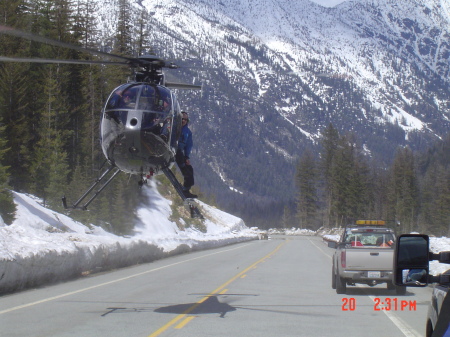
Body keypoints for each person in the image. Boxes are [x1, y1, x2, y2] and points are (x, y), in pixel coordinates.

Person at [176, 111, 197, 198]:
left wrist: (187, 157)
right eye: (182, 119)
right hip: (172, 149)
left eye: (185, 119)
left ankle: (186, 189)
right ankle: (185, 189)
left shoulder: (187, 132)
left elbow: (188, 145)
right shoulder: (173, 127)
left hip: (180, 151)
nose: (183, 121)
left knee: (190, 170)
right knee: (184, 167)